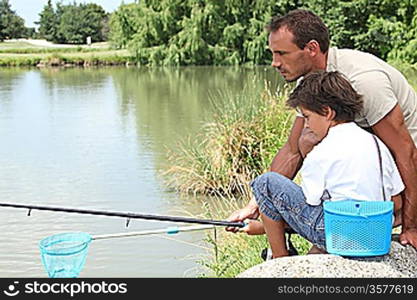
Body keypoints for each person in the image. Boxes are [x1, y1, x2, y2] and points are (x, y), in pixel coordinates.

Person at [227, 9, 417, 249]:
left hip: (407, 164)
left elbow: (406, 151)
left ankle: (280, 254)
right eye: (273, 54)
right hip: (376, 184)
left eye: (281, 53)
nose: (275, 63)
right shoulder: (310, 83)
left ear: (312, 48)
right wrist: (256, 206)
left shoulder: (365, 82)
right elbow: (292, 150)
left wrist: (411, 228)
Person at [238, 71, 405, 258]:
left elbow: (310, 203)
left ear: (327, 112)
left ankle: (279, 258)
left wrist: (306, 151)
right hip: (376, 237)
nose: (306, 125)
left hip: (342, 236)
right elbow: (396, 200)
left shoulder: (321, 151)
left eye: (307, 117)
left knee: (266, 183)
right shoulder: (376, 143)